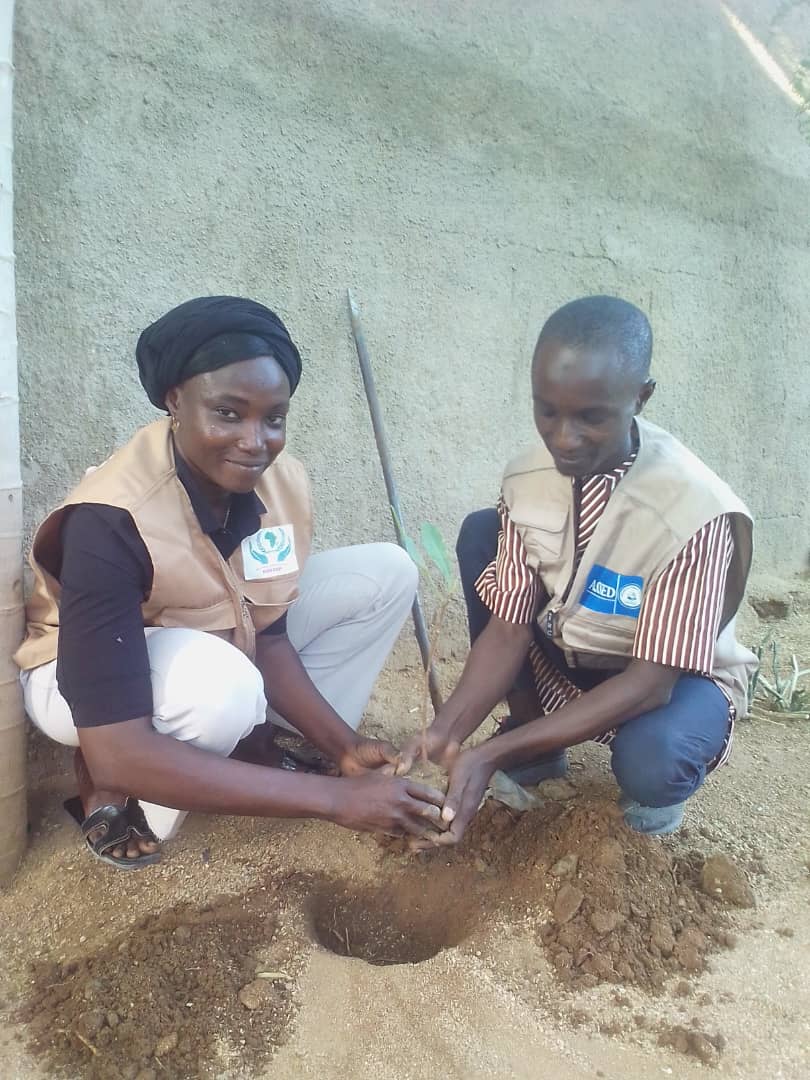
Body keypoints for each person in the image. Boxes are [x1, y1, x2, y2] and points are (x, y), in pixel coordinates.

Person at [15, 296, 444, 869]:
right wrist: (333, 800)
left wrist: (343, 748)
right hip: (79, 680)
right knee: (222, 690)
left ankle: (251, 750)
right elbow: (119, 747)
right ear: (175, 400)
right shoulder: (109, 518)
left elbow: (268, 633)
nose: (254, 441)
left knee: (388, 571)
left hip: (213, 640)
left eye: (274, 418)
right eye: (227, 413)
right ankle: (112, 789)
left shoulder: (280, 483)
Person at [399, 296, 757, 845]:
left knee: (653, 758)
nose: (563, 438)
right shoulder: (527, 478)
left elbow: (649, 685)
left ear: (641, 397)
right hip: (581, 648)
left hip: (674, 679)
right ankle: (536, 744)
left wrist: (492, 754)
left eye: (591, 417)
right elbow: (508, 630)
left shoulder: (692, 511)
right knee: (481, 534)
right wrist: (443, 734)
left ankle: (652, 806)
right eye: (547, 411)